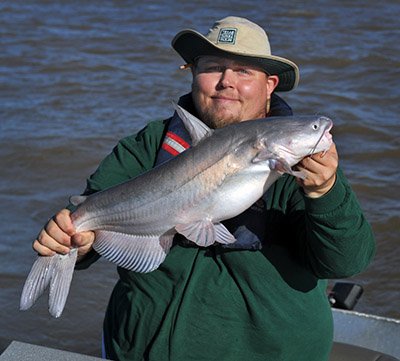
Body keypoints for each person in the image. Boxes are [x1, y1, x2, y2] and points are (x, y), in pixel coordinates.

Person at [33, 16, 375, 361]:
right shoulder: (147, 144)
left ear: (270, 85)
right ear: (193, 73)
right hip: (139, 348)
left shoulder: (303, 160)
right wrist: (76, 241)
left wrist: (324, 193)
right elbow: (89, 219)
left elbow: (345, 261)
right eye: (213, 67)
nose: (226, 82)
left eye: (243, 71)